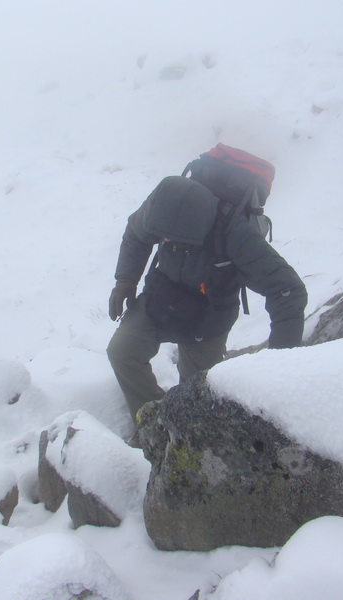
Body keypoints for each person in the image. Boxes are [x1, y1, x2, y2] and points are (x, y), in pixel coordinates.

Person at [106, 146, 307, 426]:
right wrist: (125, 281)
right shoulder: (163, 203)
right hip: (160, 297)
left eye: (177, 242)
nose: (168, 243)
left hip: (209, 316)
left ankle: (185, 431)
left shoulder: (236, 234)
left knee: (198, 401)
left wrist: (281, 365)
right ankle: (154, 425)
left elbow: (287, 290)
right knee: (122, 352)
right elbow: (136, 234)